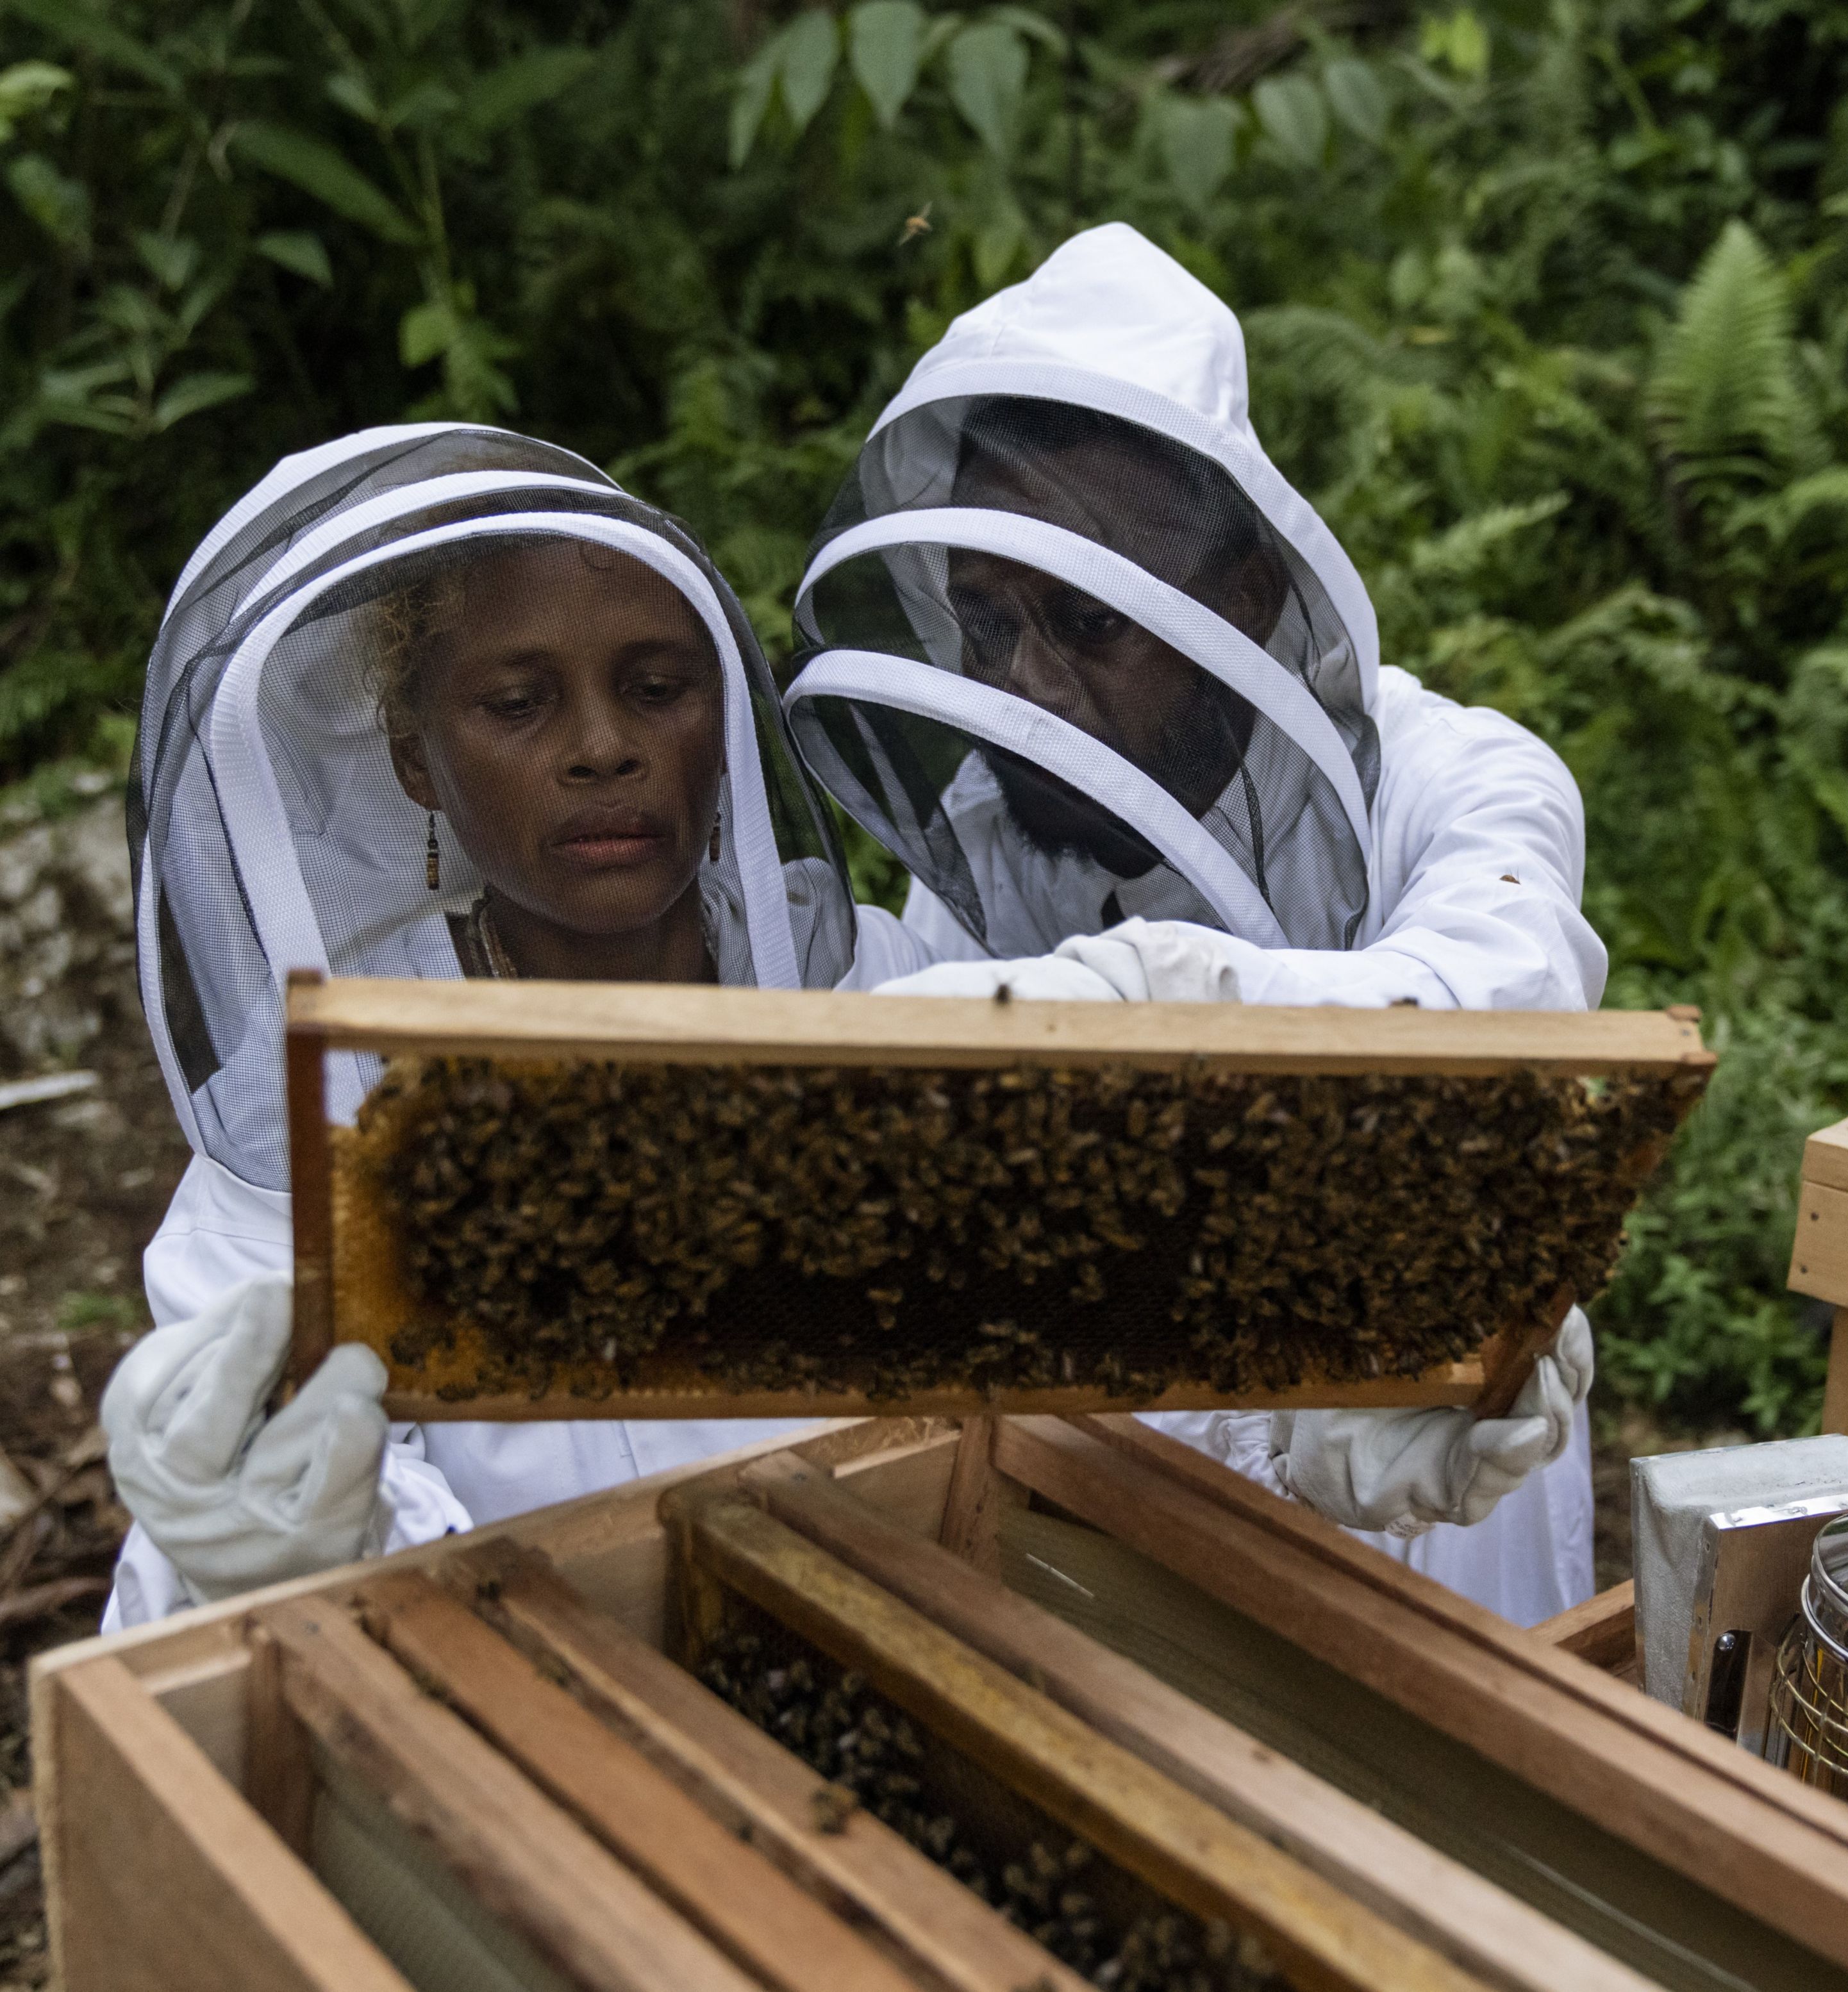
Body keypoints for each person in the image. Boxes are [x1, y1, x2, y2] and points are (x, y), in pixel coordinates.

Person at [784, 223, 1606, 1623]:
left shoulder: (1455, 779)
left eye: (1085, 623)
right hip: (1135, 1520)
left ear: (1243, 596)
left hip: (1431, 1505)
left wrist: (1165, 1002)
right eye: (989, 627)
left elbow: (1495, 1003)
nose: (1027, 684)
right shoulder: (988, 839)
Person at [101, 424, 918, 1627]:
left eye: (657, 688)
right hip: (515, 1728)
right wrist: (304, 1529)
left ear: (726, 719)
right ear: (416, 763)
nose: (604, 749)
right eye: (518, 704)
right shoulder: (326, 1121)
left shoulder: (885, 997)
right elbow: (247, 1554)